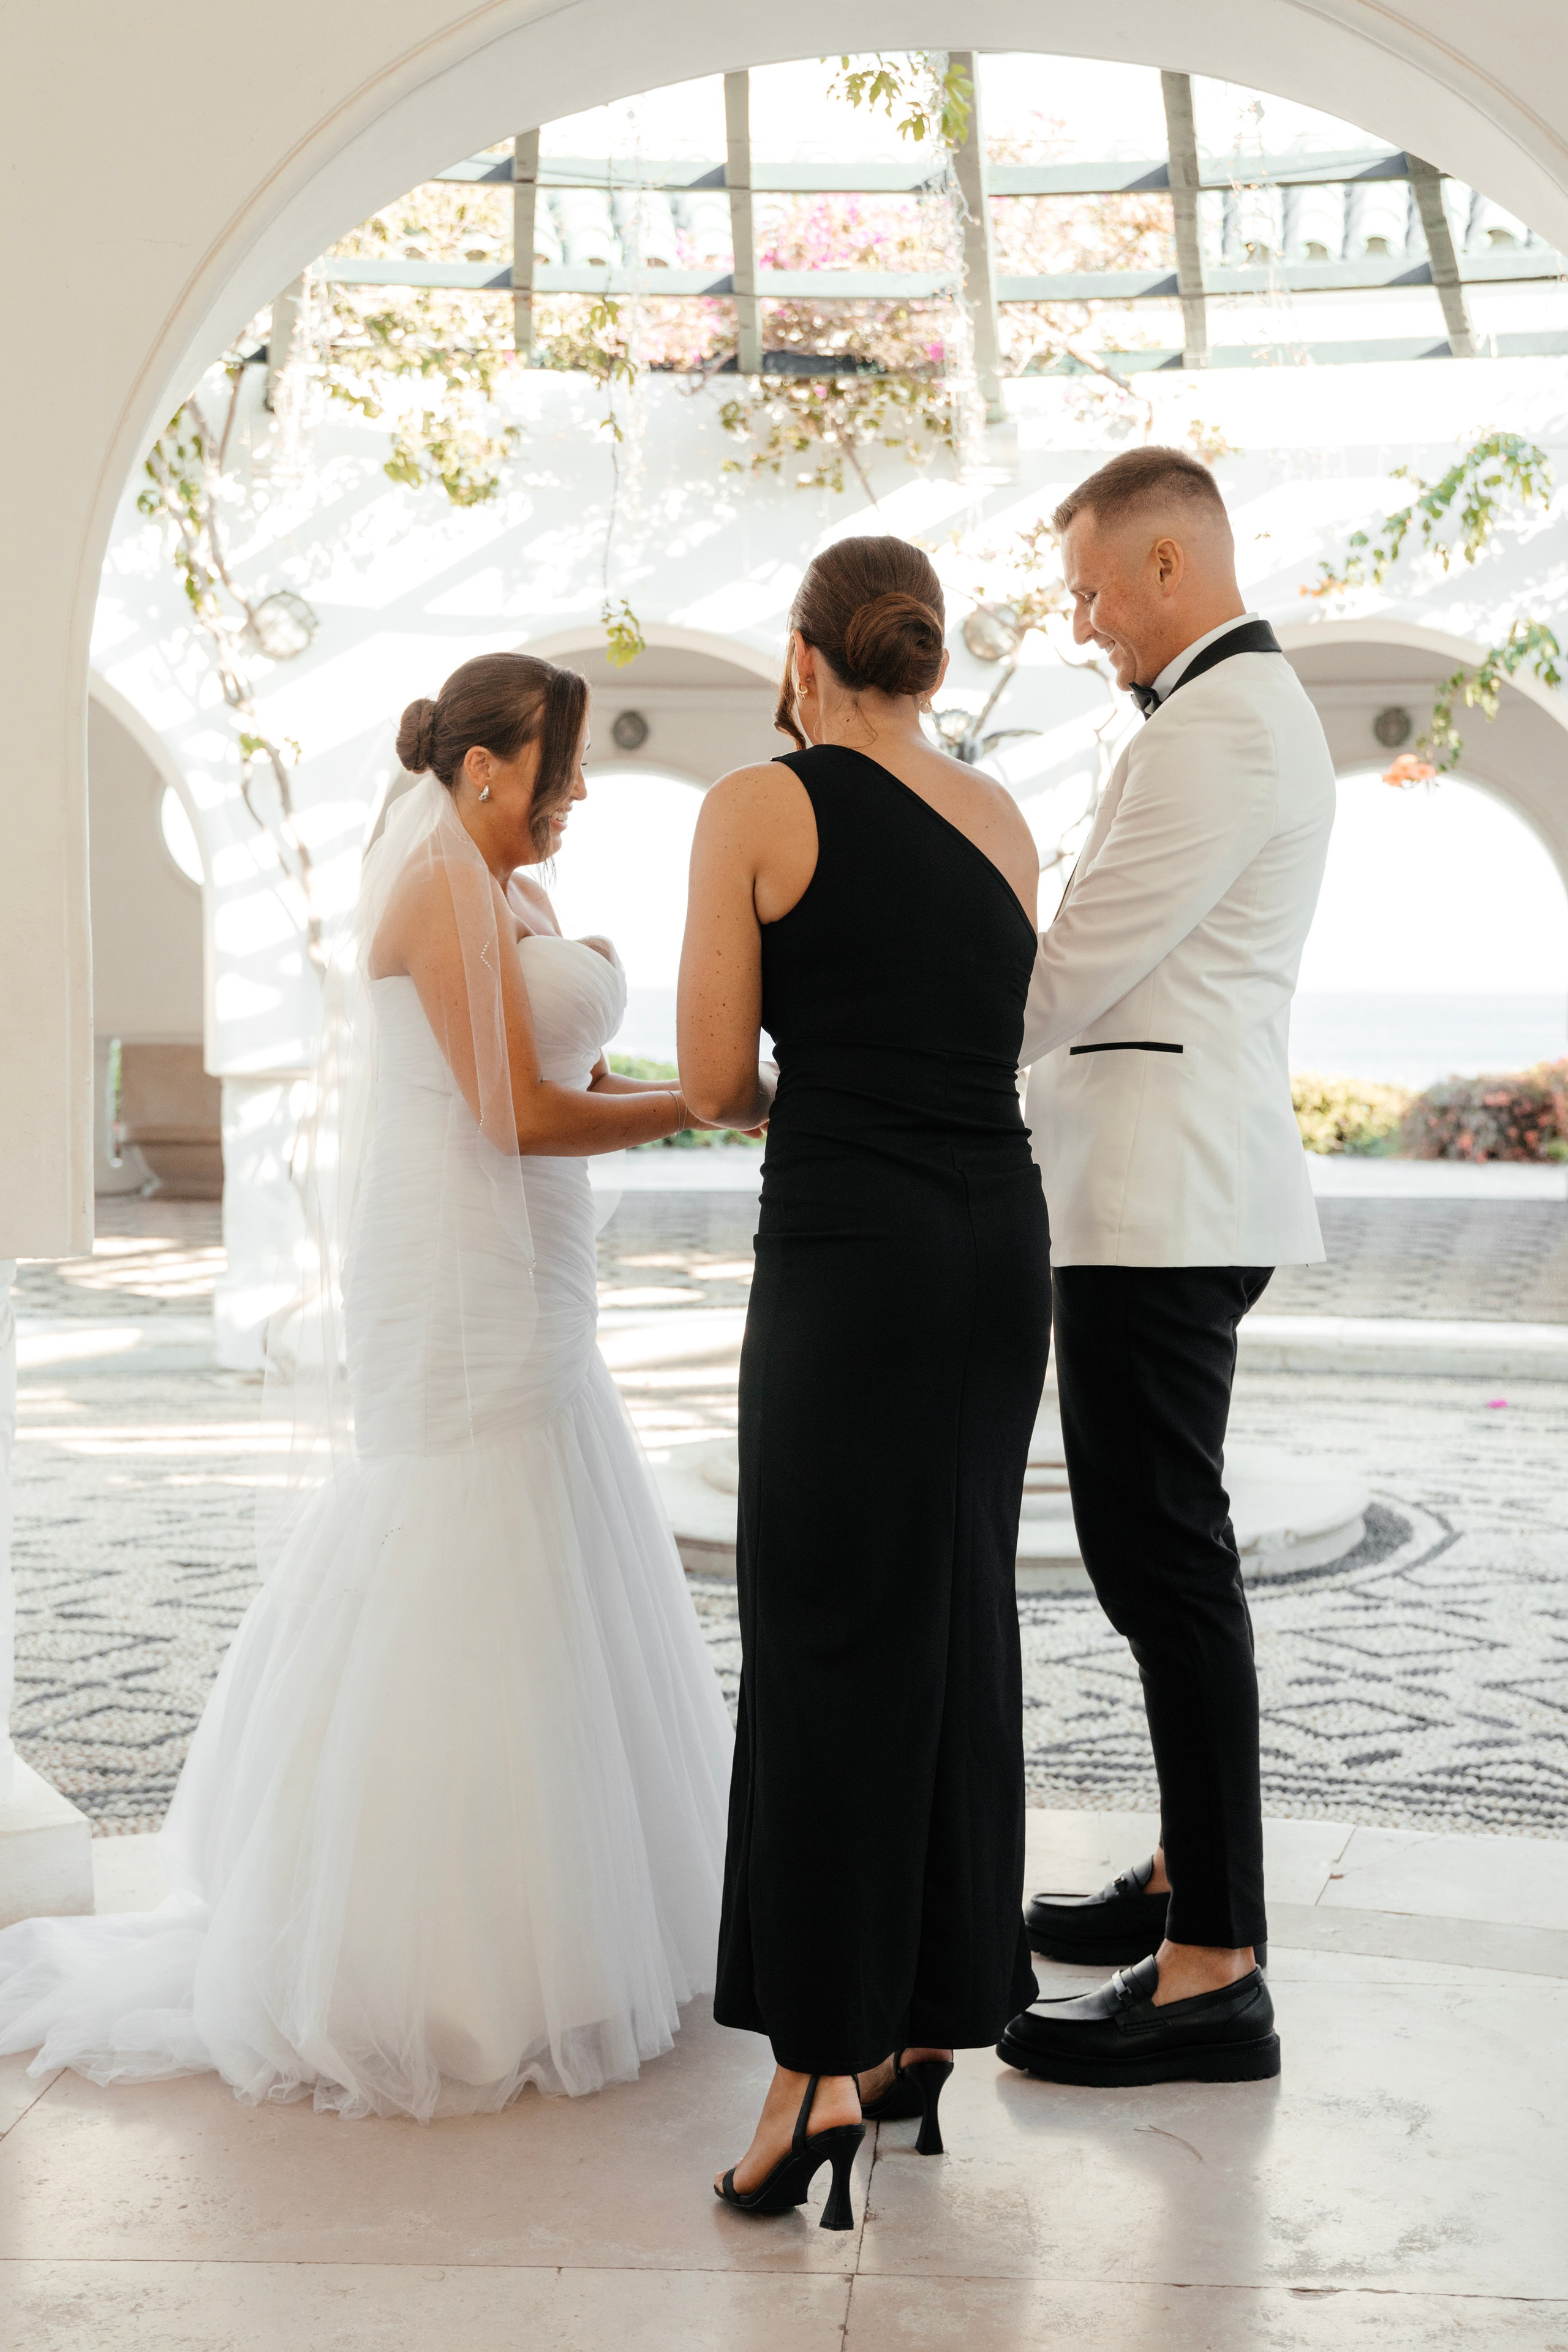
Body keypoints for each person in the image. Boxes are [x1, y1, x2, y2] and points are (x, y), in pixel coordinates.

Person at [0, 652, 740, 2120]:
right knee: (462, 1538)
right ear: (484, 770)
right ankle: (443, 1961)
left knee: (553, 1531)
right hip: (461, 1257)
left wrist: (663, 1092)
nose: (578, 794)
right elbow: (518, 1113)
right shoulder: (437, 890)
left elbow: (548, 1092)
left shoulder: (509, 889)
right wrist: (710, 1104)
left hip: (533, 1259)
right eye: (561, 770)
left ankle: (577, 1916)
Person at [681, 537, 1050, 2228]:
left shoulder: (762, 803)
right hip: (1000, 1252)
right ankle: (920, 2029)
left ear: (804, 654)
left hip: (853, 1254)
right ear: (930, 659)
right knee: (957, 1616)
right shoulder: (1004, 817)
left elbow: (708, 1075)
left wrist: (798, 1090)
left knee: (826, 1628)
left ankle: (812, 2072)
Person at [996, 446, 1335, 2091]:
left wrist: (908, 1055)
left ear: (1170, 570)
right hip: (1159, 1189)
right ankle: (1192, 1883)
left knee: (1163, 1565)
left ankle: (1215, 1971)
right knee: (1155, 1558)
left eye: (1088, 589)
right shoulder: (1221, 717)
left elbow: (1076, 961)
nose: (1079, 623)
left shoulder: (1221, 726)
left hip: (1163, 1201)